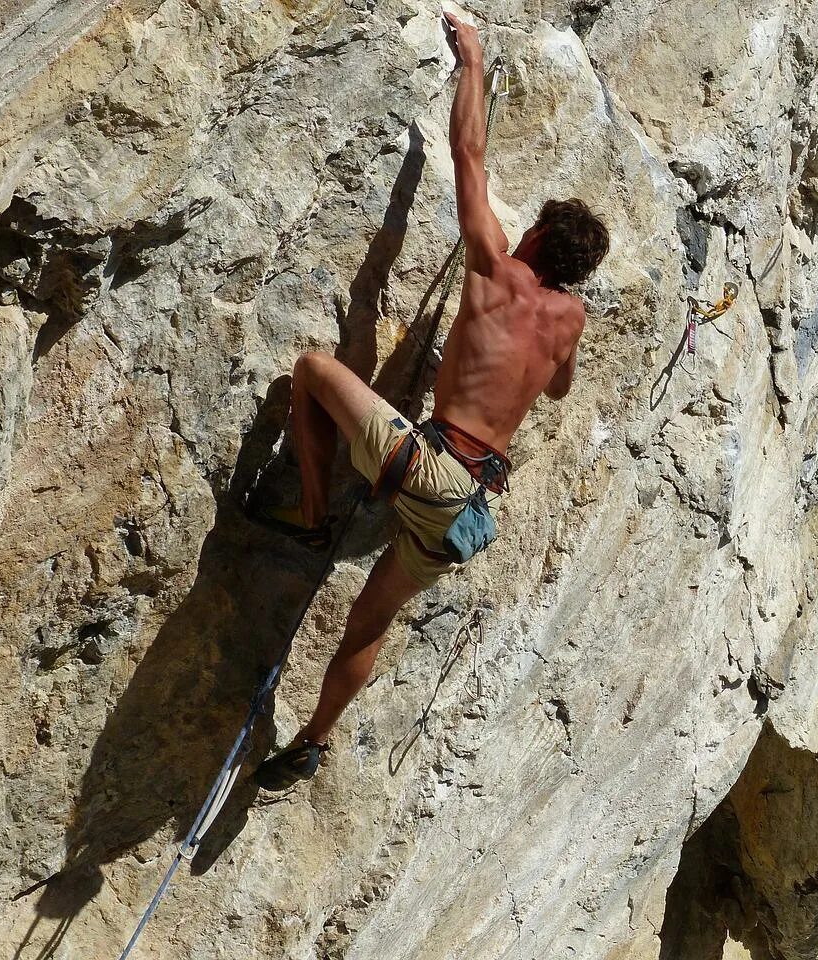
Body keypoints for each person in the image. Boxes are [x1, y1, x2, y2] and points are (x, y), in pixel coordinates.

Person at [252, 11, 610, 789]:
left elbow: (468, 152)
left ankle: (313, 522)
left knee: (314, 369)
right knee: (366, 626)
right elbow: (559, 384)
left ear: (539, 237)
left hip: (431, 467)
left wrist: (472, 58)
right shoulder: (569, 321)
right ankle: (312, 740)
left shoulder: (495, 268)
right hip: (469, 510)